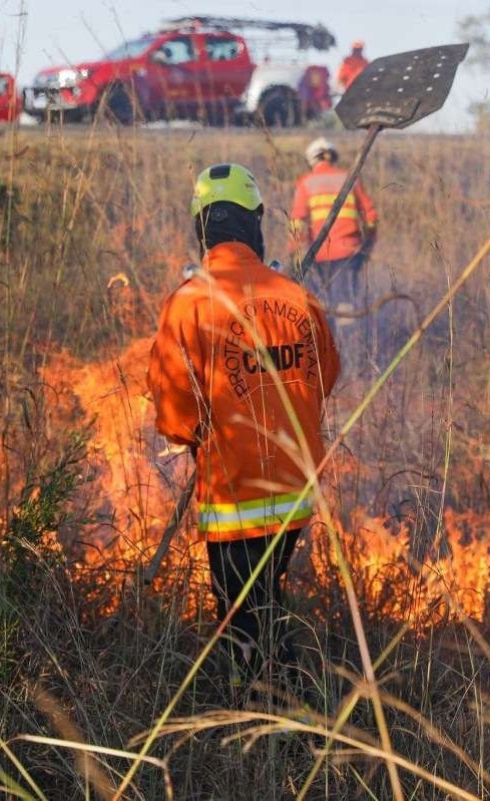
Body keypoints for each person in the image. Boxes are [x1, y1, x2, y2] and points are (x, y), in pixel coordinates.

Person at [148, 163, 341, 699]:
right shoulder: (296, 297)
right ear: (256, 224)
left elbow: (174, 415)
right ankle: (283, 705)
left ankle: (271, 716)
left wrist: (196, 429)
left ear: (201, 229)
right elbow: (325, 376)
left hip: (235, 495)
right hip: (296, 491)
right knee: (266, 598)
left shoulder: (188, 302)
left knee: (244, 616)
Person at [290, 137, 379, 310]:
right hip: (349, 252)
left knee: (319, 306)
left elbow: (297, 221)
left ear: (311, 160)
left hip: (317, 254)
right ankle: (348, 336)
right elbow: (371, 216)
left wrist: (295, 252)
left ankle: (324, 334)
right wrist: (368, 244)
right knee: (345, 305)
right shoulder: (349, 178)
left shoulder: (306, 182)